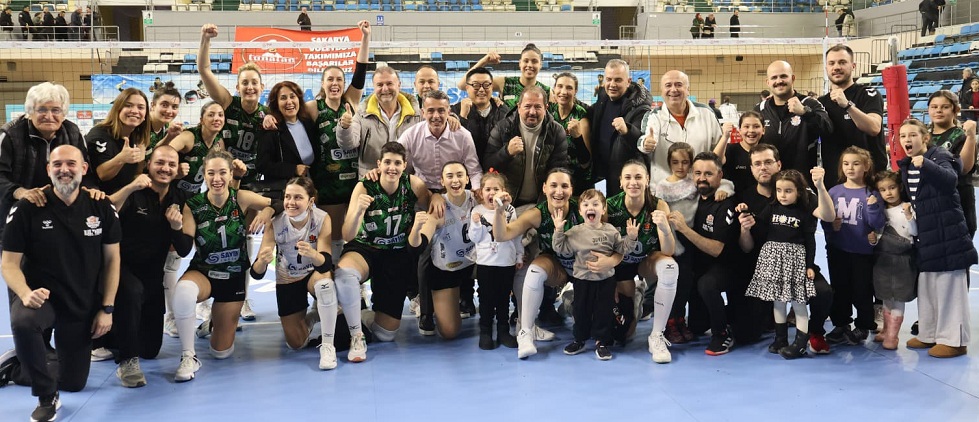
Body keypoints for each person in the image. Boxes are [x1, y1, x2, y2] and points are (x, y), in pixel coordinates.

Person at [3, 145, 121, 422]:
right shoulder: (27, 207)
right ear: (48, 170)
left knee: (73, 382)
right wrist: (25, 293)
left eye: (71, 164)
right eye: (57, 165)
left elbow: (112, 261)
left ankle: (17, 367)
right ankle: (46, 396)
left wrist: (107, 308)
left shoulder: (101, 206)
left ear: (84, 169)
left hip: (80, 302)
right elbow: (8, 263)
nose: (64, 170)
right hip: (41, 297)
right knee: (23, 321)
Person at [169, 149, 278, 382]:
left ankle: (213, 324)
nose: (216, 178)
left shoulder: (242, 197)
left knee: (221, 352)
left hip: (233, 278)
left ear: (230, 175)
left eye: (222, 173)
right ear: (204, 175)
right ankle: (188, 356)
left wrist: (268, 210)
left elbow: (279, 203)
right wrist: (176, 229)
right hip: (204, 272)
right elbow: (185, 249)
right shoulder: (193, 205)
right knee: (183, 292)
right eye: (211, 173)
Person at [493, 168, 621, 359]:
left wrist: (610, 262)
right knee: (533, 269)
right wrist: (499, 211)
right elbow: (502, 235)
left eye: (564, 186)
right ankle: (526, 331)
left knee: (613, 327)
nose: (559, 191)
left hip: (589, 272)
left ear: (571, 190)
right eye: (553, 185)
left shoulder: (587, 208)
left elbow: (613, 246)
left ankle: (571, 302)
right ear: (544, 188)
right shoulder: (537, 213)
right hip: (558, 268)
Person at [198, 23, 270, 321]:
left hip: (250, 186)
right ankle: (206, 296)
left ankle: (242, 297)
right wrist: (205, 39)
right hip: (222, 182)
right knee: (213, 237)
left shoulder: (269, 115)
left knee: (242, 240)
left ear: (262, 87)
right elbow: (204, 70)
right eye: (245, 83)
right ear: (238, 87)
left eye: (254, 83)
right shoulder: (228, 103)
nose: (250, 87)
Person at [334, 142, 432, 357]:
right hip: (365, 247)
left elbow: (431, 204)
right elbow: (347, 234)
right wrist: (358, 211)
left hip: (396, 253)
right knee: (345, 274)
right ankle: (356, 335)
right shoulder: (364, 186)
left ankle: (360, 315)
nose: (392, 168)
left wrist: (439, 198)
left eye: (397, 163)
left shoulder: (414, 185)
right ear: (378, 164)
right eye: (387, 162)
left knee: (386, 334)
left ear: (405, 165)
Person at [739, 143, 836, 353]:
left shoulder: (805, 200)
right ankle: (780, 338)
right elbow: (753, 230)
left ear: (778, 164)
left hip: (797, 262)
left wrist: (820, 187)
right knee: (760, 318)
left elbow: (827, 218)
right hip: (770, 265)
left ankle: (811, 335)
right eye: (757, 163)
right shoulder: (758, 200)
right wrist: (744, 221)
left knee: (818, 295)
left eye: (768, 162)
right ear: (751, 168)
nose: (763, 167)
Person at [106, 146, 187, 387]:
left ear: (177, 170)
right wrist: (130, 187)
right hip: (121, 267)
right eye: (160, 162)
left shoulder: (178, 197)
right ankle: (127, 361)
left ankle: (112, 338)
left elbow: (184, 249)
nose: (165, 168)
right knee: (132, 292)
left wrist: (176, 228)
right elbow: (106, 212)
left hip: (153, 274)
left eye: (171, 164)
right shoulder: (135, 190)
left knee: (150, 350)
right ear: (149, 164)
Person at [898, 119, 976, 358]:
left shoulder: (940, 156)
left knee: (949, 289)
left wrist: (927, 165)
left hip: (948, 234)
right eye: (903, 136)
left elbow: (951, 179)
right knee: (928, 287)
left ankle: (955, 340)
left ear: (925, 138)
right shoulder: (906, 165)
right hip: (926, 236)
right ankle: (929, 333)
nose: (907, 140)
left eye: (912, 135)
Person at [250, 177, 339, 368]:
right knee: (296, 344)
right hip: (287, 277)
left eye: (298, 197)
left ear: (311, 201)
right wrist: (262, 262)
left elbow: (325, 264)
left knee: (325, 285)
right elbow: (256, 273)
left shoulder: (322, 218)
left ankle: (328, 346)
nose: (291, 202)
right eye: (287, 197)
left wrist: (313, 254)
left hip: (313, 273)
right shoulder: (276, 222)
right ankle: (313, 317)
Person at [305, 20, 371, 267]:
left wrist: (365, 37)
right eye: (330, 79)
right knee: (333, 236)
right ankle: (331, 272)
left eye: (339, 80)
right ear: (322, 84)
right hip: (327, 182)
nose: (335, 83)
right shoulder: (313, 107)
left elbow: (361, 71)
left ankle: (353, 275)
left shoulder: (350, 100)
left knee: (354, 232)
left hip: (353, 181)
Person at [739, 170, 818, 359]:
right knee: (778, 301)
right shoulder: (772, 207)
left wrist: (809, 265)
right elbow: (757, 222)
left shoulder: (804, 212)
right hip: (773, 259)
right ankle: (780, 338)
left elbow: (810, 241)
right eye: (779, 190)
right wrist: (745, 212)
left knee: (798, 302)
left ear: (798, 191)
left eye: (788, 191)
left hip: (795, 261)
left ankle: (800, 343)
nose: (783, 195)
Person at [552, 189, 638, 361]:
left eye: (595, 204)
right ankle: (579, 339)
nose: (590, 207)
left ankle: (602, 342)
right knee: (580, 310)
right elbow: (559, 248)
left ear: (603, 209)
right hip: (582, 280)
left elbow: (623, 249)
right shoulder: (575, 232)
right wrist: (558, 231)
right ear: (580, 211)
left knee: (603, 311)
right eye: (585, 205)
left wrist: (631, 237)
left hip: (605, 281)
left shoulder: (610, 231)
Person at [667, 152, 738, 356]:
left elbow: (716, 249)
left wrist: (684, 229)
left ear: (720, 175)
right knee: (697, 326)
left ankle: (722, 333)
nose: (702, 178)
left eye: (708, 174)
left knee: (706, 284)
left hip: (726, 267)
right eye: (697, 173)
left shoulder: (725, 203)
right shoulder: (693, 196)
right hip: (700, 266)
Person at [607, 159, 678, 363]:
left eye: (638, 177)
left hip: (646, 260)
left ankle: (656, 335)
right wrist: (609, 283)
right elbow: (602, 248)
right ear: (620, 182)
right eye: (628, 177)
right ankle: (636, 296)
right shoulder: (609, 207)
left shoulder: (658, 205)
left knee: (670, 266)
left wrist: (664, 228)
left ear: (647, 180)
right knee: (623, 334)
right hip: (619, 265)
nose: (633, 182)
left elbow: (668, 251)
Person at [0, 82, 91, 238]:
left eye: (55, 110)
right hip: (18, 212)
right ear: (30, 111)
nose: (49, 116)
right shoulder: (10, 134)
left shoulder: (73, 132)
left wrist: (91, 189)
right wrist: (21, 192)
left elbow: (85, 171)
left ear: (63, 113)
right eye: (42, 109)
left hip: (61, 213)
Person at [823, 146, 886, 345]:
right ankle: (841, 324)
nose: (850, 168)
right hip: (837, 250)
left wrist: (873, 207)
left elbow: (878, 223)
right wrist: (830, 225)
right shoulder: (834, 191)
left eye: (856, 163)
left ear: (866, 166)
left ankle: (864, 325)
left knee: (862, 290)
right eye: (846, 164)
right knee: (839, 288)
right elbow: (825, 217)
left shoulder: (871, 193)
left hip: (862, 252)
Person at [408, 162, 477, 340]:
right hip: (447, 269)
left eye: (460, 175)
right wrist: (416, 229)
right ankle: (435, 304)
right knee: (449, 332)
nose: (455, 180)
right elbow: (418, 244)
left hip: (475, 264)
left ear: (467, 179)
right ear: (442, 181)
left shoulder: (478, 198)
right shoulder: (438, 208)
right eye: (450, 176)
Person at [485, 87, 569, 207]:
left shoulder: (556, 131)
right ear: (519, 107)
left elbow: (559, 170)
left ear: (546, 108)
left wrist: (546, 204)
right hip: (508, 201)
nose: (532, 112)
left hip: (541, 202)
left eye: (538, 107)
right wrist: (506, 152)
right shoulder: (502, 128)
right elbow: (487, 166)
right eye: (527, 106)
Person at [639, 70, 724, 187]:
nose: (673, 89)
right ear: (662, 91)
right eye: (668, 85)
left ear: (688, 89)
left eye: (679, 85)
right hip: (663, 190)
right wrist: (645, 144)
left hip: (701, 189)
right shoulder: (654, 116)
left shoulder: (707, 113)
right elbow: (642, 142)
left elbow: (720, 152)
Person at [468, 171, 523, 349]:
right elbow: (474, 238)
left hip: (506, 262)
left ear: (504, 191)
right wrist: (476, 224)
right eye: (488, 189)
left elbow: (516, 235)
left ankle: (503, 331)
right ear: (481, 192)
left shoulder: (510, 210)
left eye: (496, 189)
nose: (492, 193)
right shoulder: (477, 211)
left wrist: (519, 255)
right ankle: (485, 330)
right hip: (486, 263)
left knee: (503, 298)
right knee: (485, 298)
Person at [818, 44, 885, 189]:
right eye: (831, 63)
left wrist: (847, 105)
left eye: (842, 62)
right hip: (836, 182)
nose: (836, 67)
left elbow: (874, 128)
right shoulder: (820, 103)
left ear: (853, 66)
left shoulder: (868, 94)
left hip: (870, 181)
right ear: (826, 68)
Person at [337, 66, 421, 178]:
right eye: (380, 85)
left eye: (389, 83)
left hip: (406, 181)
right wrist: (345, 128)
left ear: (399, 85)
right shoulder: (362, 114)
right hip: (371, 180)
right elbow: (348, 144)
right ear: (374, 87)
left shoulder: (417, 115)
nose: (385, 89)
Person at [755, 60, 832, 177]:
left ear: (793, 78)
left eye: (783, 76)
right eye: (774, 77)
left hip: (802, 178)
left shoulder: (810, 103)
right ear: (768, 82)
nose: (779, 81)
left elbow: (828, 129)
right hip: (771, 179)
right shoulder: (760, 109)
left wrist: (805, 112)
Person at [869, 170, 917, 350]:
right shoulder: (880, 211)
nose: (888, 193)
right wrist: (872, 239)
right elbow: (877, 234)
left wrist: (909, 216)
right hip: (883, 259)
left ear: (900, 187)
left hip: (901, 260)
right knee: (886, 297)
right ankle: (886, 330)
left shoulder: (907, 207)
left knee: (898, 298)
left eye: (892, 188)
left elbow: (914, 233)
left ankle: (893, 336)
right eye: (883, 190)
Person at [398, 90, 482, 191]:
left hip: (453, 190)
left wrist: (477, 192)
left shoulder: (463, 136)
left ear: (449, 112)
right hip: (421, 189)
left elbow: (474, 171)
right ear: (423, 113)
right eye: (431, 111)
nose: (436, 116)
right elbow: (396, 164)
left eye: (441, 110)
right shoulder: (410, 135)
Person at [588, 59, 650, 196]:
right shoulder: (603, 97)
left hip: (623, 179)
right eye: (609, 79)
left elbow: (642, 142)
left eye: (618, 80)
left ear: (628, 81)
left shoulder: (640, 107)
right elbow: (591, 112)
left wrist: (627, 130)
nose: (612, 84)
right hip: (599, 174)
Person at [255, 81, 319, 198]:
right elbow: (262, 165)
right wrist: (293, 169)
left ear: (299, 99)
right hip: (285, 194)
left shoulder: (308, 123)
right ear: (276, 103)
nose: (289, 102)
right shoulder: (271, 129)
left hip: (311, 189)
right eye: (283, 98)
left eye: (292, 96)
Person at [927, 90, 977, 237]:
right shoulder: (923, 136)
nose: (938, 110)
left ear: (956, 110)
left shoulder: (962, 136)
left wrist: (971, 137)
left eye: (945, 107)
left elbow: (964, 168)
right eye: (934, 107)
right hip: (931, 200)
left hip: (958, 197)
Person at [86, 88, 151, 195]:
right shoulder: (99, 134)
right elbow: (102, 175)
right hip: (100, 198)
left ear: (145, 115)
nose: (135, 111)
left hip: (125, 196)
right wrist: (121, 159)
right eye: (128, 105)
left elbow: (135, 174)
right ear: (118, 109)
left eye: (140, 107)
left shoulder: (138, 136)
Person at [461, 44, 551, 108]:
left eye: (534, 61)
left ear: (540, 65)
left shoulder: (546, 91)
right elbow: (462, 85)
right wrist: (484, 61)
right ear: (520, 63)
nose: (530, 65)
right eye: (526, 61)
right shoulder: (505, 83)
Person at [452, 67, 510, 165]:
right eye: (476, 85)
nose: (482, 89)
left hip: (496, 168)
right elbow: (453, 144)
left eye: (486, 85)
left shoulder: (503, 111)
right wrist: (463, 118)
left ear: (492, 87)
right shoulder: (455, 111)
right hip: (466, 168)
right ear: (467, 88)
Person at [550, 72, 592, 193]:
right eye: (560, 86)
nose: (563, 92)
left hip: (577, 182)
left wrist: (578, 137)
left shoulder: (581, 116)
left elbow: (586, 163)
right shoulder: (549, 112)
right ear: (554, 89)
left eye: (569, 88)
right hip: (553, 177)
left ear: (575, 91)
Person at [714, 111, 764, 197]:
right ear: (740, 130)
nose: (751, 130)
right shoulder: (730, 149)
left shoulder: (767, 152)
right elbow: (714, 162)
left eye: (756, 126)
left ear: (763, 130)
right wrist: (725, 136)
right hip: (733, 199)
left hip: (758, 200)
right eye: (746, 126)